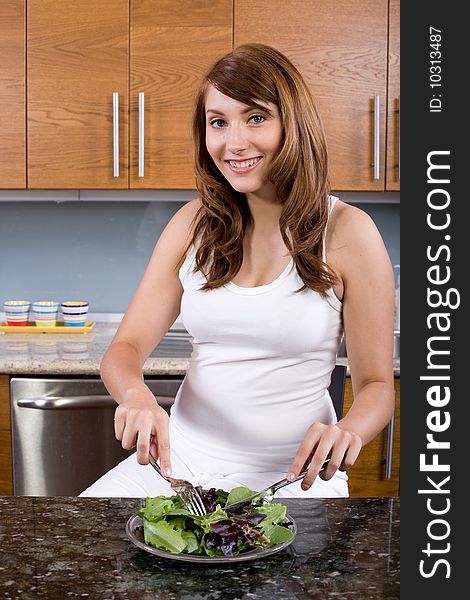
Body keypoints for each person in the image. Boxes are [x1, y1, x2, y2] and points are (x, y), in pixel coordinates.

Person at [80, 43, 395, 498]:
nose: (235, 143)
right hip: (178, 464)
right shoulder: (193, 224)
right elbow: (124, 349)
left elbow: (377, 385)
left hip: (291, 479)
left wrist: (349, 431)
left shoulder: (348, 232)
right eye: (218, 122)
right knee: (79, 560)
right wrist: (136, 396)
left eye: (256, 118)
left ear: (293, 124)